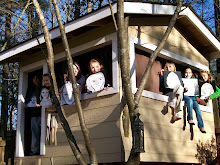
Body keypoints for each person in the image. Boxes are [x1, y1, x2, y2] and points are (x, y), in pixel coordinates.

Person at [183, 68, 206, 133]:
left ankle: (201, 126)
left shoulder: (194, 82)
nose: (188, 74)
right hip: (185, 96)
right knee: (189, 101)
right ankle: (190, 118)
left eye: (189, 73)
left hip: (193, 97)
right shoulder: (182, 80)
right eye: (186, 72)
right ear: (184, 73)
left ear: (191, 74)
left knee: (197, 108)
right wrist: (184, 88)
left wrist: (197, 89)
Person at [25, 75, 42, 156]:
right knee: (35, 134)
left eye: (37, 78)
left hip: (42, 114)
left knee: (44, 133)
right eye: (34, 79)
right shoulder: (31, 91)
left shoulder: (43, 89)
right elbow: (26, 103)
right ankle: (34, 150)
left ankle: (41, 149)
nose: (36, 80)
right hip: (34, 115)